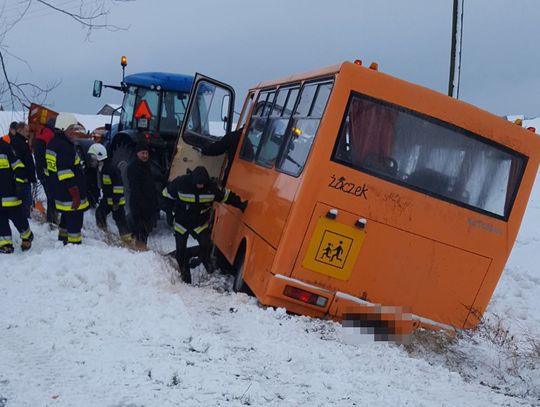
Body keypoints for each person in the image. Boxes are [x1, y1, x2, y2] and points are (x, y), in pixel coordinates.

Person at [162, 165, 247, 283]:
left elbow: (227, 196)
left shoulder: (212, 187)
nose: (200, 186)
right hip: (182, 223)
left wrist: (240, 204)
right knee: (180, 250)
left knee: (206, 246)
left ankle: (202, 264)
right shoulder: (181, 182)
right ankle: (185, 278)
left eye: (203, 184)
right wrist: (168, 212)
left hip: (199, 224)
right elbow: (166, 194)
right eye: (198, 184)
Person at [46, 113, 89, 244]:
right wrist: (75, 195)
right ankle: (74, 246)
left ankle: (63, 239)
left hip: (60, 192)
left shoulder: (54, 143)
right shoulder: (65, 147)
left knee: (66, 218)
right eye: (71, 129)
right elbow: (65, 173)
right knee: (75, 222)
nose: (74, 132)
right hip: (70, 194)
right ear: (63, 128)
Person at [87, 143, 132, 244]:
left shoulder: (111, 169)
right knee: (100, 213)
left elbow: (118, 185)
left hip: (117, 201)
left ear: (99, 157)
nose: (91, 160)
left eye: (93, 158)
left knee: (120, 221)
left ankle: (128, 242)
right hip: (107, 199)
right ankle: (104, 235)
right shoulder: (101, 168)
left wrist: (116, 200)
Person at [0, 136, 33, 253]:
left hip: (10, 194)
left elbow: (19, 167)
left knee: (19, 218)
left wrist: (20, 185)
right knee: (1, 221)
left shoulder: (5, 148)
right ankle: (5, 244)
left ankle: (27, 237)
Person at [127, 141, 158, 250]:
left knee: (144, 233)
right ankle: (139, 252)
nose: (145, 155)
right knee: (140, 231)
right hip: (139, 208)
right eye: (142, 153)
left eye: (146, 153)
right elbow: (135, 192)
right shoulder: (133, 168)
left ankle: (140, 249)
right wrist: (139, 210)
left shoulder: (147, 167)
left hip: (148, 208)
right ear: (137, 154)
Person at [8, 122, 36, 218]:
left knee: (26, 201)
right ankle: (24, 221)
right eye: (26, 131)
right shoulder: (18, 142)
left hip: (25, 178)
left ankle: (25, 219)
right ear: (20, 130)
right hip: (22, 179)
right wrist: (23, 176)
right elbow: (17, 161)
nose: (28, 133)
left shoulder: (23, 142)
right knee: (25, 202)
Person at [33, 117, 57, 223]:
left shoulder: (39, 133)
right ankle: (52, 220)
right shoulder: (50, 135)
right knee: (52, 197)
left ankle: (51, 219)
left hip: (40, 170)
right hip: (48, 171)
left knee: (50, 196)